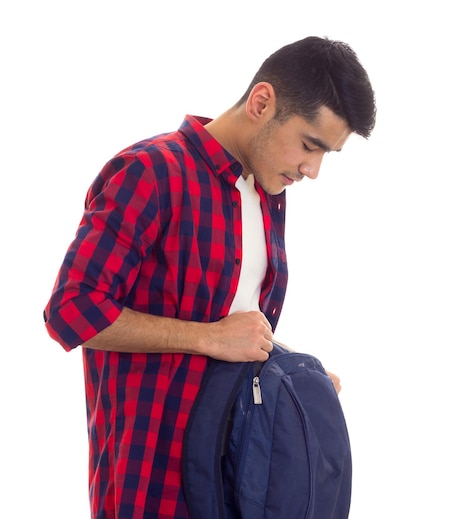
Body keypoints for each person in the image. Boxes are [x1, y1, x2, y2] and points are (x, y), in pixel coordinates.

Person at [43, 35, 376, 519]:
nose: (313, 169)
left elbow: (233, 327)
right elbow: (72, 311)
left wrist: (290, 376)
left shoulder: (266, 191)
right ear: (262, 103)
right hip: (152, 483)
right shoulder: (152, 171)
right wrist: (209, 338)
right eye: (309, 145)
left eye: (327, 154)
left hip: (235, 479)